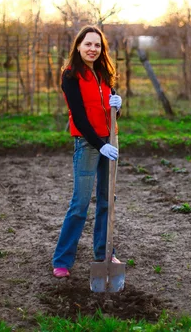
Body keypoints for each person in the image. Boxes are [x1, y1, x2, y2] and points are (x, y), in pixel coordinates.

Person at [52, 25, 123, 278]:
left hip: (110, 142)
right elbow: (80, 117)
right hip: (87, 143)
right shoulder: (71, 75)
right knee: (80, 203)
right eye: (88, 44)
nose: (93, 49)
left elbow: (109, 111)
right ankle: (62, 260)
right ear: (78, 46)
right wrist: (99, 144)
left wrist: (118, 104)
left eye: (97, 45)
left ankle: (104, 253)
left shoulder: (104, 73)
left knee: (107, 201)